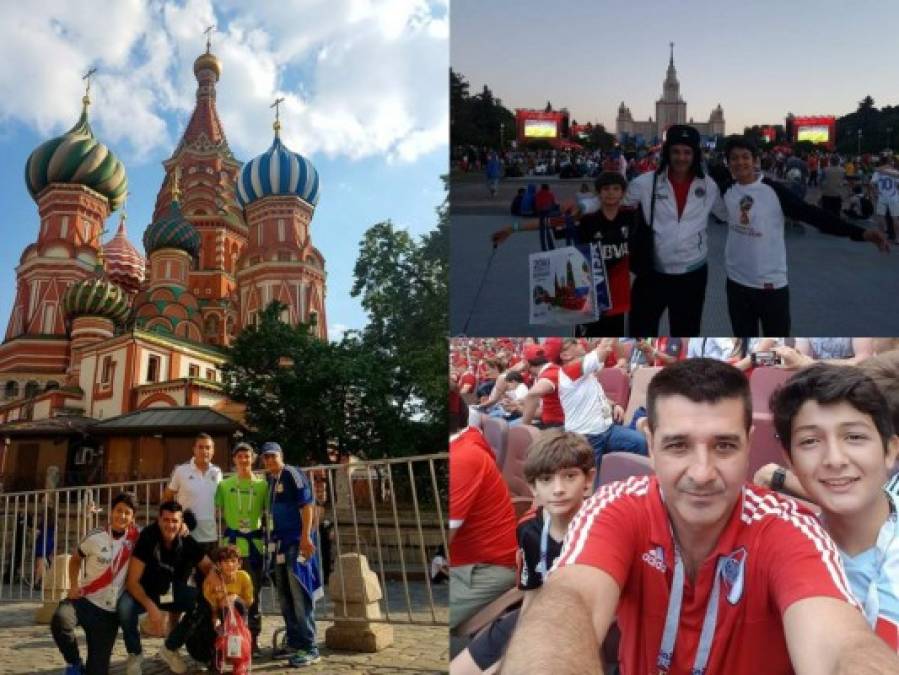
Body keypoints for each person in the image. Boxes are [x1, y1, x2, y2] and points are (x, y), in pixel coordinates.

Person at [501, 358, 899, 674]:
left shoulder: (788, 528)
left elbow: (840, 646)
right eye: (678, 446)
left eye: (724, 446)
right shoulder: (616, 505)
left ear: (749, 446)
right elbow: (570, 604)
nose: (702, 472)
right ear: (650, 445)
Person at [769, 364, 899, 649]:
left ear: (890, 451)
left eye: (854, 437)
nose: (835, 459)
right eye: (810, 441)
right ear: (789, 460)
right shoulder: (781, 549)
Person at [451, 430, 595, 675]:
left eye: (569, 477)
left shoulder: (598, 532)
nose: (558, 489)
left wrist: (506, 664)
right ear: (534, 488)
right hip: (531, 619)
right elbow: (531, 594)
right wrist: (517, 641)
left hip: (574, 631)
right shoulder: (529, 530)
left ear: (588, 480)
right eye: (547, 480)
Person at [713, 136, 888, 337]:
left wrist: (861, 233)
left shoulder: (773, 190)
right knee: (743, 343)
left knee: (776, 350)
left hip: (770, 286)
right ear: (728, 163)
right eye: (734, 158)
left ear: (755, 160)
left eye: (745, 157)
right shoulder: (726, 189)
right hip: (736, 283)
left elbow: (812, 215)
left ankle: (769, 368)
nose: (740, 162)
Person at [492, 171, 636, 335]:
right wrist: (512, 228)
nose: (611, 193)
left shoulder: (631, 216)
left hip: (618, 291)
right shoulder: (585, 218)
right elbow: (549, 223)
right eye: (606, 189)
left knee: (614, 336)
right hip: (588, 291)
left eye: (616, 189)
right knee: (588, 336)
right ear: (598, 193)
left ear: (623, 193)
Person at [624, 124, 721, 335]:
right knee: (640, 331)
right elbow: (615, 202)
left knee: (686, 333)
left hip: (692, 274)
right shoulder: (645, 183)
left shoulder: (709, 185)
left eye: (687, 152)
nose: (681, 157)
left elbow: (728, 213)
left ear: (695, 154)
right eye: (675, 151)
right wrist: (584, 206)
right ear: (667, 152)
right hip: (652, 271)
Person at [521, 339, 647, 482]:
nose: (579, 343)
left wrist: (615, 405)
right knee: (593, 484)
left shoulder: (582, 370)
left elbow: (594, 394)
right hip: (588, 438)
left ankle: (639, 487)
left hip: (607, 429)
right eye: (573, 343)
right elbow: (605, 348)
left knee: (640, 443)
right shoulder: (570, 370)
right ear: (565, 355)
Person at [118, 500, 220, 675]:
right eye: (166, 520)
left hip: (168, 592)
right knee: (124, 607)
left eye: (175, 521)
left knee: (202, 603)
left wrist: (212, 574)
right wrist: (151, 609)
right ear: (159, 520)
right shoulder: (148, 537)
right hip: (144, 591)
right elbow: (132, 582)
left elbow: (208, 566)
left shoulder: (185, 539)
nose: (170, 525)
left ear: (181, 523)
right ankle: (134, 655)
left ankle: (170, 648)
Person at [449, 404, 518, 655]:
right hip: (464, 560)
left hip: (486, 567)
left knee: (430, 615)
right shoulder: (468, 438)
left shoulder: (462, 457)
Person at [51, 492, 140, 675]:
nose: (121, 516)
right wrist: (73, 585)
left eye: (127, 513)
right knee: (60, 620)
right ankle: (75, 663)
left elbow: (163, 530)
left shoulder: (137, 539)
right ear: (111, 512)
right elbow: (75, 559)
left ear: (132, 517)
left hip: (108, 615)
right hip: (84, 601)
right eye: (118, 510)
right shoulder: (95, 536)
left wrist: (184, 527)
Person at [261, 441, 322, 667]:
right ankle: (295, 641)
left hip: (297, 542)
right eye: (265, 457)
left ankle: (310, 646)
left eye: (272, 456)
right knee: (285, 596)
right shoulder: (270, 481)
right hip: (278, 544)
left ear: (281, 455)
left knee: (299, 594)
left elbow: (307, 505)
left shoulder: (292, 474)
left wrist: (306, 537)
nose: (269, 460)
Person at [215, 442, 268, 654]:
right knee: (226, 593)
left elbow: (268, 516)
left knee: (252, 595)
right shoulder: (225, 485)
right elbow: (216, 514)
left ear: (253, 459)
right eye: (240, 457)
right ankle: (226, 637)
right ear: (234, 459)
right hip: (231, 548)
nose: (244, 460)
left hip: (254, 546)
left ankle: (252, 640)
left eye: (247, 456)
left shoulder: (262, 485)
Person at [164, 432, 223, 559]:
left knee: (208, 576)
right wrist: (176, 521)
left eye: (208, 447)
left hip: (210, 536)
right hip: (186, 535)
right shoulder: (181, 470)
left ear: (213, 451)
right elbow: (167, 497)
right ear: (194, 450)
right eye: (200, 447)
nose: (204, 451)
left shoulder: (217, 472)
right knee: (184, 577)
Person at [871, 156, 899, 243]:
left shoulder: (877, 173)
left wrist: (875, 192)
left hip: (882, 196)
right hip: (893, 196)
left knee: (880, 217)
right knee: (895, 218)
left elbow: (872, 183)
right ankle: (897, 238)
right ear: (889, 162)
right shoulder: (894, 171)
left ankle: (882, 237)